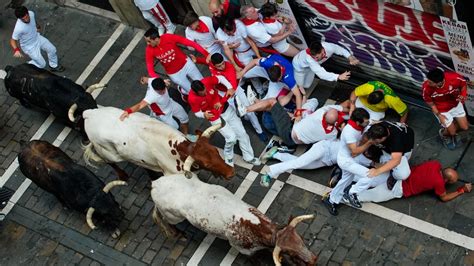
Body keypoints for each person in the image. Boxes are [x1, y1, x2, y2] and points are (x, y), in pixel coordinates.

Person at [190, 53, 268, 142]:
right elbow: (208, 62)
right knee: (235, 113)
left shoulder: (229, 68)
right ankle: (241, 127)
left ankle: (260, 131)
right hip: (221, 93)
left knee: (249, 111)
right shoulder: (212, 65)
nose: (222, 66)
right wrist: (198, 60)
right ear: (214, 65)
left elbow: (232, 87)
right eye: (219, 66)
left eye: (223, 63)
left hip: (234, 89)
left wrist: (222, 101)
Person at [188, 76, 261, 167]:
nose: (205, 93)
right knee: (231, 138)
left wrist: (229, 87)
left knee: (242, 133)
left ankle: (249, 157)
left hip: (226, 109)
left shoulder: (207, 80)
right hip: (215, 118)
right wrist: (203, 115)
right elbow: (196, 112)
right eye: (202, 93)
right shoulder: (192, 98)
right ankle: (229, 160)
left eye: (205, 90)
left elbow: (221, 78)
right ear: (196, 93)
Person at [344, 121, 415, 207]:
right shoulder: (375, 127)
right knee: (357, 156)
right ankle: (346, 174)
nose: (372, 142)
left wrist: (377, 171)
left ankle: (393, 176)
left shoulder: (396, 139)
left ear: (383, 138)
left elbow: (396, 160)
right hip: (385, 150)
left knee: (403, 174)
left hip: (402, 153)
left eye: (375, 141)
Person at [322, 108, 372, 216]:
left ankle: (331, 200)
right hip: (346, 161)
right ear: (358, 122)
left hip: (349, 159)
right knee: (369, 176)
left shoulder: (360, 124)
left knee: (345, 181)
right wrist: (369, 143)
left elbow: (372, 123)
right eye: (366, 122)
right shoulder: (349, 132)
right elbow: (354, 152)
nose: (368, 123)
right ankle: (351, 193)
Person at [119, 77, 196, 141]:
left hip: (170, 104)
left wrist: (142, 79)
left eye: (164, 89)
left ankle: (186, 136)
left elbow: (145, 79)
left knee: (185, 118)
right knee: (175, 128)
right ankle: (182, 140)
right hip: (162, 114)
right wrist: (128, 111)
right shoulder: (151, 96)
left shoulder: (154, 80)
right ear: (155, 89)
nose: (163, 92)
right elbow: (139, 105)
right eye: (160, 92)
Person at [357, 160, 472, 203]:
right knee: (373, 196)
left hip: (396, 175)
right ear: (446, 180)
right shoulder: (439, 183)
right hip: (399, 188)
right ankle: (345, 197)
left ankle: (349, 175)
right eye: (451, 182)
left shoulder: (435, 164)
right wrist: (461, 190)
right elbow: (444, 197)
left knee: (371, 178)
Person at [144, 28, 209, 97]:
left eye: (149, 41)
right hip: (175, 74)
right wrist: (160, 80)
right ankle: (183, 91)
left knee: (203, 83)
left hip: (186, 64)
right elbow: (150, 70)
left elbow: (190, 43)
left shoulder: (168, 37)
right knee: (191, 92)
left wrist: (207, 54)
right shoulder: (149, 50)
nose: (147, 44)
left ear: (156, 39)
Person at [238, 54, 305, 116]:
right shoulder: (268, 63)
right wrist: (242, 72)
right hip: (267, 72)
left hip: (281, 83)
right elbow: (254, 61)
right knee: (245, 73)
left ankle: (255, 101)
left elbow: (297, 94)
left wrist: (298, 113)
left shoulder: (289, 78)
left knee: (269, 100)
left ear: (281, 75)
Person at [422, 68, 469, 150]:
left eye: (430, 82)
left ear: (439, 83)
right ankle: (444, 134)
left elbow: (463, 85)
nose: (427, 83)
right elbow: (431, 104)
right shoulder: (426, 88)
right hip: (441, 110)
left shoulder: (454, 78)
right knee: (452, 132)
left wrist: (463, 94)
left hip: (456, 105)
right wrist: (439, 115)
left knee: (465, 127)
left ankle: (451, 125)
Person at [10, 6, 65, 72]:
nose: (26, 20)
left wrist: (37, 26)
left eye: (26, 17)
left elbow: (33, 20)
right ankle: (28, 65)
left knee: (52, 49)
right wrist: (16, 50)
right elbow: (13, 40)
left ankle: (53, 65)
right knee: (42, 65)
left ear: (28, 13)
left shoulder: (31, 13)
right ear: (19, 19)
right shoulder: (18, 28)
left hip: (37, 37)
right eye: (23, 19)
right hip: (29, 47)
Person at [292, 41, 358, 91]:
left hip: (310, 67)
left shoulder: (328, 47)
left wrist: (350, 57)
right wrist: (338, 76)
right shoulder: (310, 59)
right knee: (299, 86)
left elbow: (339, 49)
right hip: (299, 67)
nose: (315, 59)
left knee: (307, 85)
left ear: (323, 50)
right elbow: (322, 74)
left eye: (317, 57)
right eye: (313, 57)